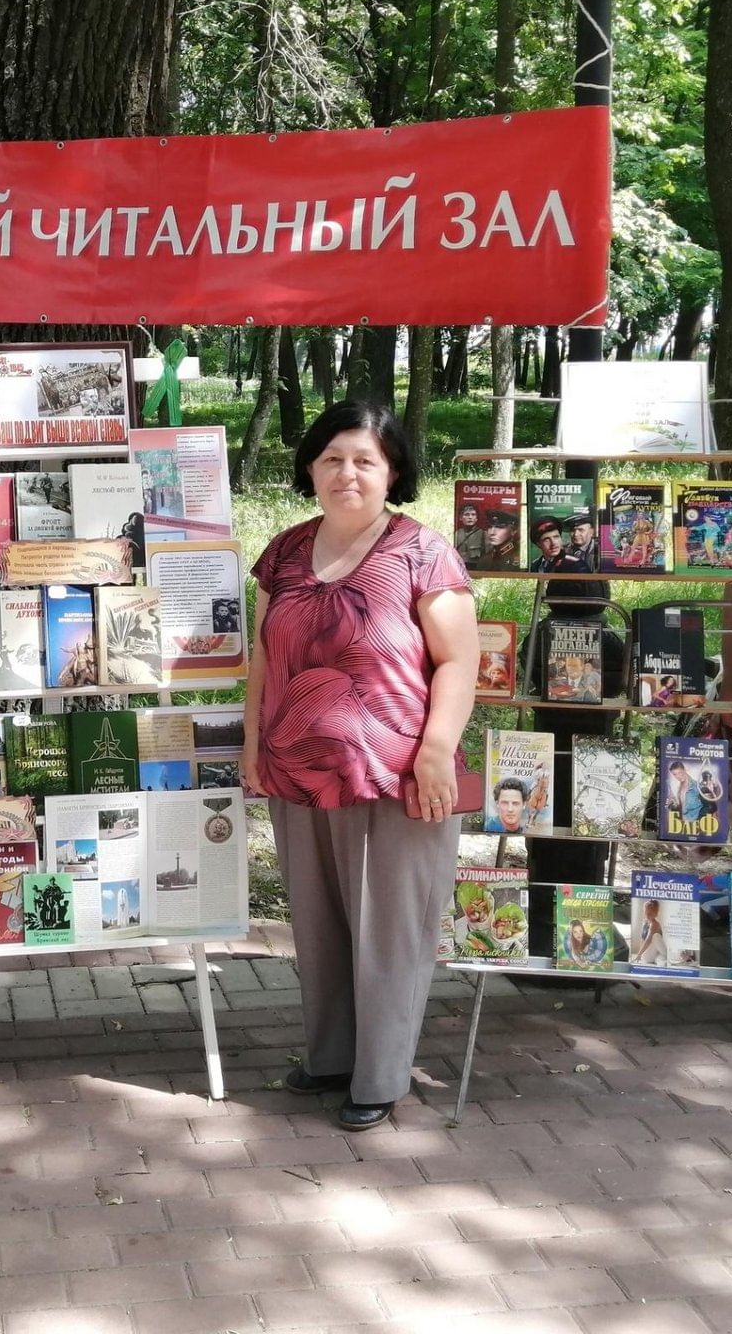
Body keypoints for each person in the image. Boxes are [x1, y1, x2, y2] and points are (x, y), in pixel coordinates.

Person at [242, 401, 478, 1131]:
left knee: (389, 931)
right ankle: (331, 1055)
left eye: (365, 461)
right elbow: (263, 659)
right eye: (333, 458)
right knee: (317, 925)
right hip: (298, 771)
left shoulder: (422, 552)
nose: (348, 473)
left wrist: (437, 748)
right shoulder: (283, 553)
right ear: (310, 467)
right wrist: (253, 745)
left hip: (397, 776)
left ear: (393, 473)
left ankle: (379, 1077)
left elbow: (461, 659)